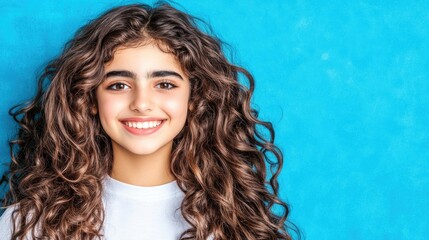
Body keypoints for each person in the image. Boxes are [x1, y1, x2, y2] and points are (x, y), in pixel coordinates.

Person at [0, 2, 298, 239]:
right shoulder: (28, 224)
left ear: (194, 98)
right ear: (88, 100)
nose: (141, 103)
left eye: (165, 84)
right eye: (118, 85)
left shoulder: (239, 224)